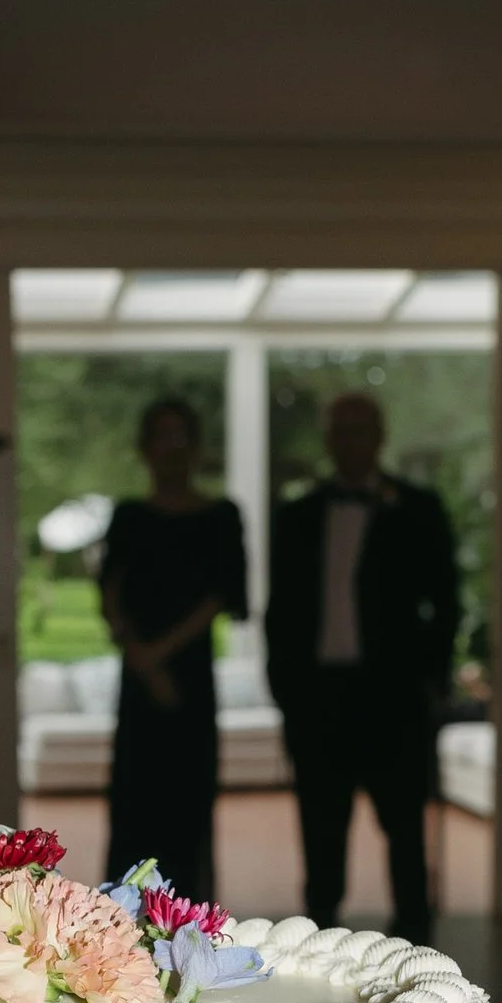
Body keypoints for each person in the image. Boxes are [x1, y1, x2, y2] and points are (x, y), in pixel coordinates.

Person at [266, 390, 458, 946]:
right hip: (317, 697)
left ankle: (418, 949)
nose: (349, 442)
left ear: (379, 437)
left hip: (393, 698)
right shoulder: (298, 516)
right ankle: (321, 948)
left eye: (359, 431)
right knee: (321, 833)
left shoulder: (419, 508)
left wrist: (432, 682)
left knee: (404, 830)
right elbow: (282, 608)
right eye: (340, 431)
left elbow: (445, 603)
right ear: (329, 441)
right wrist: (286, 689)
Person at [97, 397, 248, 904]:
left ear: (196, 447)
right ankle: (117, 932)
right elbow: (110, 591)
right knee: (132, 807)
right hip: (138, 685)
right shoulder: (128, 516)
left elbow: (222, 597)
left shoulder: (222, 517)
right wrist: (138, 654)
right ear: (145, 448)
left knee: (189, 808)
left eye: (181, 435)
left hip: (189, 681)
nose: (172, 447)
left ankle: (187, 928)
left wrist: (157, 654)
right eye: (162, 435)